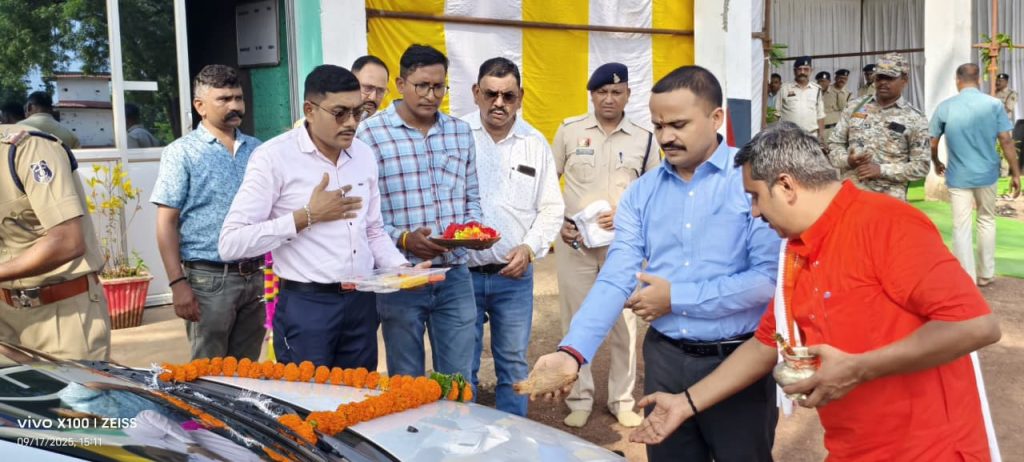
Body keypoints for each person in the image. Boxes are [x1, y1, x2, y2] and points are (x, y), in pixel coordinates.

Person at [631, 122, 1002, 462]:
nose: (755, 212)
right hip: (852, 448)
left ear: (786, 186)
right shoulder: (796, 251)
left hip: (928, 450)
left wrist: (860, 369)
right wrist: (685, 403)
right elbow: (765, 345)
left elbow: (975, 326)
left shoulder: (887, 223)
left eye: (756, 196)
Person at [532, 66, 781, 462]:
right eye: (659, 125)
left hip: (738, 364)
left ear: (716, 117)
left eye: (678, 124)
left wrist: (676, 298)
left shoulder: (749, 180)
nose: (666, 137)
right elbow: (617, 278)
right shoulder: (642, 193)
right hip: (665, 361)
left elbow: (766, 282)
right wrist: (572, 352)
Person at [220, 65, 410, 369]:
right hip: (307, 305)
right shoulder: (274, 157)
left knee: (359, 394)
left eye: (358, 112)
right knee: (307, 396)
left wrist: (402, 268)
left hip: (361, 303)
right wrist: (307, 216)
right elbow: (231, 243)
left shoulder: (363, 155)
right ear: (310, 110)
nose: (351, 123)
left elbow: (373, 230)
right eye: (340, 113)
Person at [356, 45, 481, 380]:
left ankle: (456, 418)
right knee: (406, 379)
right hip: (401, 277)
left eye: (439, 87)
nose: (431, 95)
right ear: (400, 84)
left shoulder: (460, 132)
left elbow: (472, 198)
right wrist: (404, 239)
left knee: (459, 379)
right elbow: (365, 215)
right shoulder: (369, 135)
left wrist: (472, 233)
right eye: (422, 85)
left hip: (454, 275)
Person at [550, 62, 660, 429]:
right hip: (576, 244)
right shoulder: (569, 132)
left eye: (616, 92)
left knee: (624, 323)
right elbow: (548, 186)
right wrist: (560, 224)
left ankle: (621, 399)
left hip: (623, 247)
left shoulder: (644, 138)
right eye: (601, 92)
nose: (609, 99)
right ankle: (579, 397)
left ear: (628, 94)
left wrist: (627, 215)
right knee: (575, 319)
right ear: (592, 95)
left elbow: (655, 192)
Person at [461, 57, 564, 416]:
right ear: (476, 93)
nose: (499, 103)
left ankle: (512, 438)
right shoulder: (457, 136)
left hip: (514, 277)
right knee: (461, 366)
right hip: (463, 275)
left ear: (520, 97)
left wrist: (529, 248)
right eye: (491, 94)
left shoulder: (534, 143)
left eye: (508, 96)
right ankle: (460, 437)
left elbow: (551, 207)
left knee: (513, 364)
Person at [152, 65, 265, 361]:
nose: (235, 106)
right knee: (208, 370)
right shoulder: (182, 153)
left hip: (256, 277)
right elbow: (166, 222)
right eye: (224, 99)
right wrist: (177, 283)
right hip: (209, 279)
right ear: (200, 106)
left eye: (238, 98)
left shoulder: (258, 150)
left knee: (248, 370)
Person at [0, 126, 110, 360]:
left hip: (61, 312)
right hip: (4, 316)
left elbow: (67, 241)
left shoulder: (27, 148)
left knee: (74, 385)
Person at [930, 63, 1021, 287]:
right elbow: (1006, 140)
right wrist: (1015, 172)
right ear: (979, 80)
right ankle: (986, 274)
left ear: (957, 80)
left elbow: (933, 141)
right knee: (987, 220)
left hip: (958, 175)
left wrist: (936, 161)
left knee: (961, 225)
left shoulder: (945, 106)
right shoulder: (994, 104)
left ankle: (965, 276)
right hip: (987, 174)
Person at [827, 53, 929, 201]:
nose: (883, 82)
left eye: (890, 78)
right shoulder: (855, 107)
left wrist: (882, 170)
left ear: (904, 80)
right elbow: (834, 144)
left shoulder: (915, 118)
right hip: (852, 196)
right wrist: (848, 160)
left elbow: (921, 166)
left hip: (889, 201)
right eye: (879, 77)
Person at [777, 57, 825, 142]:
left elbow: (820, 115)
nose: (802, 72)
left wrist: (821, 136)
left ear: (811, 71)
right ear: (794, 71)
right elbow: (776, 113)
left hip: (811, 136)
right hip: (788, 137)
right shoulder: (784, 89)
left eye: (806, 69)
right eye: (799, 69)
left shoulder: (817, 89)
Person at [822, 69, 851, 141]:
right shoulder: (825, 90)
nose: (842, 80)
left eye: (845, 79)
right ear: (835, 78)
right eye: (840, 78)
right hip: (825, 129)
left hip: (840, 130)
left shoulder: (848, 93)